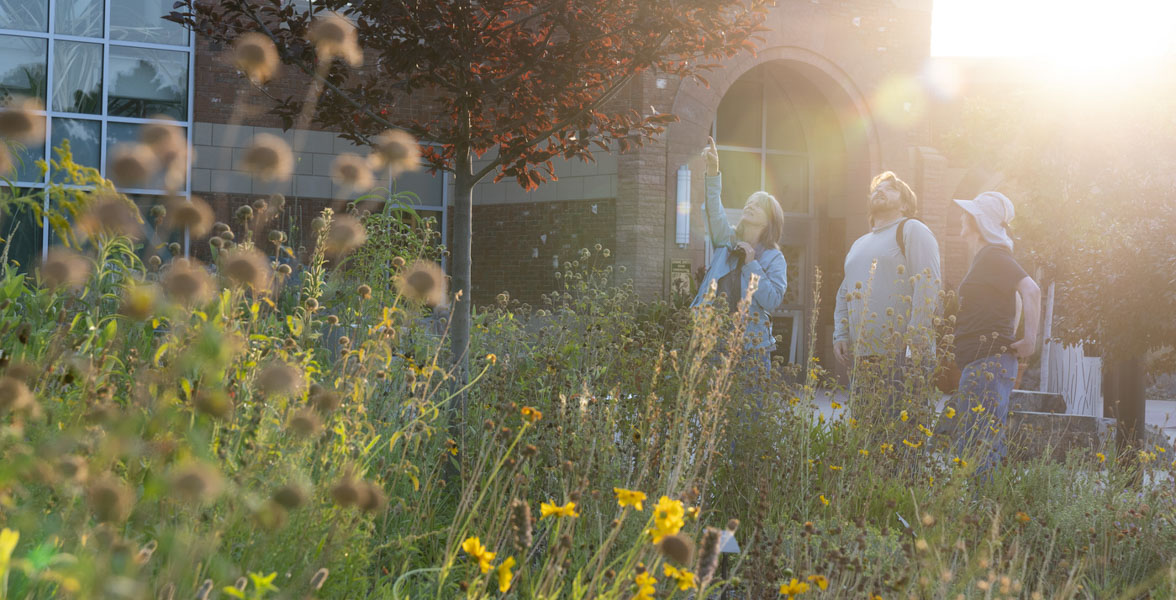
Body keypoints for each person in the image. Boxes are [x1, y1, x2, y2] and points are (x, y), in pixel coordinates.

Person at [949, 191, 1041, 479]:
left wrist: (1029, 340)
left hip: (987, 364)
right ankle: (981, 513)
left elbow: (1032, 290)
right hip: (983, 364)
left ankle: (980, 515)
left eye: (968, 214)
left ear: (977, 221)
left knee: (979, 447)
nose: (962, 217)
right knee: (978, 444)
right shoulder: (987, 257)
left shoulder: (993, 256)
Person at [833, 172, 941, 412]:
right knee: (863, 439)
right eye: (876, 188)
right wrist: (840, 334)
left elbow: (928, 285)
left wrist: (915, 343)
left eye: (890, 188)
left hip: (902, 356)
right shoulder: (859, 243)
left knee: (901, 439)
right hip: (863, 357)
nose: (880, 190)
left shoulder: (912, 229)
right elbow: (844, 292)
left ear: (905, 204)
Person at [692, 137, 788, 374]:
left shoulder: (774, 258)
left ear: (769, 220)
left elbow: (773, 300)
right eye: (749, 202)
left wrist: (751, 264)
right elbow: (713, 209)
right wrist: (713, 172)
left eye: (758, 205)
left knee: (749, 412)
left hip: (752, 350)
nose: (750, 206)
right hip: (715, 343)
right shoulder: (727, 241)